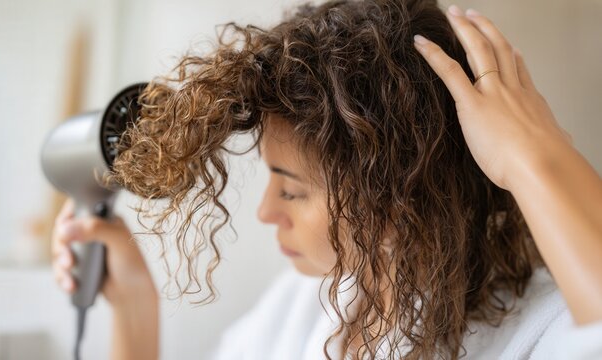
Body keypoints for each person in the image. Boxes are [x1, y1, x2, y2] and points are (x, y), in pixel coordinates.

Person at [51, 0, 602, 359]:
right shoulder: (311, 302)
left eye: (292, 189)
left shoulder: (540, 329)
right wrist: (134, 307)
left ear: (400, 196)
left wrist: (535, 155)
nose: (266, 211)